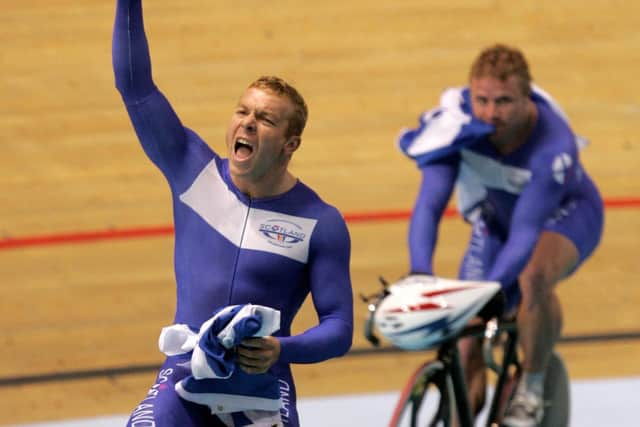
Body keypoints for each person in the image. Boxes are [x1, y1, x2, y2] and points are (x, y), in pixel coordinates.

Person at [111, 1, 354, 426]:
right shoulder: (192, 170)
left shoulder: (320, 222)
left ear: (289, 144)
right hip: (185, 370)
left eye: (264, 119)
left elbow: (338, 325)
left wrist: (282, 349)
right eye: (242, 111)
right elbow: (136, 87)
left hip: (263, 385)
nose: (247, 124)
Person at [398, 44, 603, 426]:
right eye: (483, 100)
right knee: (465, 344)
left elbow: (525, 235)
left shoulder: (552, 145)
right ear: (470, 94)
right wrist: (419, 271)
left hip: (564, 216)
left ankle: (532, 386)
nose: (492, 113)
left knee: (532, 278)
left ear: (528, 98)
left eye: (505, 101)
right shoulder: (456, 124)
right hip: (497, 219)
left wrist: (489, 293)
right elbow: (428, 206)